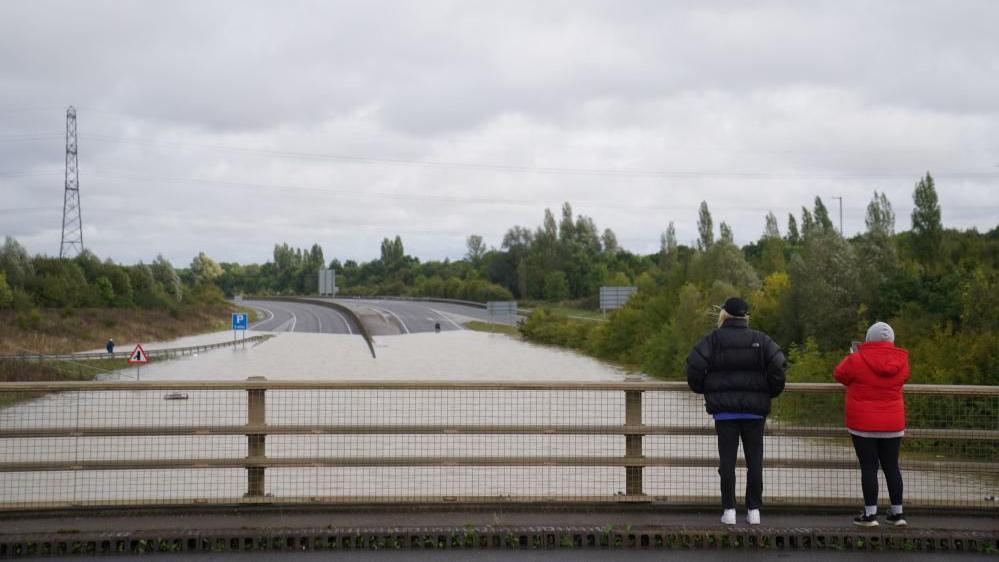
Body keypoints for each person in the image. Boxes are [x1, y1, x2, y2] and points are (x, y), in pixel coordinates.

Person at [686, 297, 785, 526]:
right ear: (746, 316)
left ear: (724, 315)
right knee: (755, 462)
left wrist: (705, 389)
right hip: (754, 413)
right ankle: (754, 512)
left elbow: (693, 367)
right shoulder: (761, 340)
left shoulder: (713, 340)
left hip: (725, 413)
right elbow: (779, 366)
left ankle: (729, 510)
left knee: (727, 463)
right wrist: (769, 392)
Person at [834, 321, 910, 527]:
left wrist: (852, 356)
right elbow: (901, 379)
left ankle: (870, 515)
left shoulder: (857, 359)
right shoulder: (902, 360)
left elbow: (839, 374)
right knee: (892, 466)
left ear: (868, 338)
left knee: (869, 467)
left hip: (863, 423)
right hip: (893, 422)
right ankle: (898, 513)